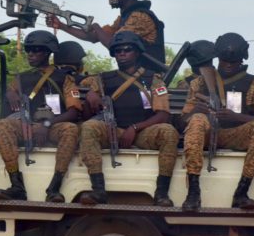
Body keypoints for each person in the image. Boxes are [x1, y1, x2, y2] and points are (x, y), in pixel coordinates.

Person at [77, 31, 179, 205]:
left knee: (169, 132)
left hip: (143, 131)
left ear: (137, 52)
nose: (122, 53)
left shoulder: (153, 79)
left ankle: (161, 193)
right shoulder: (102, 79)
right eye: (117, 51)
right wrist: (90, 95)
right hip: (112, 129)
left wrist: (134, 128)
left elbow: (163, 114)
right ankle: (98, 189)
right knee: (88, 127)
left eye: (127, 49)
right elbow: (75, 83)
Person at [181, 33, 254, 211]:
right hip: (206, 135)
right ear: (217, 58)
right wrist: (195, 111)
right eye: (224, 61)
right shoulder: (199, 83)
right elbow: (182, 121)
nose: (228, 65)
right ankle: (193, 192)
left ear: (242, 60)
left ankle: (241, 192)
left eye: (234, 62)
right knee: (196, 120)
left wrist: (236, 117)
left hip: (236, 134)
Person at [0, 30, 82, 203]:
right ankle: (16, 185)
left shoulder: (64, 78)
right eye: (29, 50)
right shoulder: (21, 78)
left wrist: (47, 125)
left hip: (53, 126)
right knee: (2, 125)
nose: (31, 54)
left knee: (71, 129)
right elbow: (10, 98)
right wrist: (9, 93)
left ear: (48, 52)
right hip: (27, 125)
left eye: (36, 50)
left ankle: (54, 188)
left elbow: (74, 111)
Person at [46, 0, 166, 65]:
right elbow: (93, 37)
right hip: (135, 72)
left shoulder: (140, 17)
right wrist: (61, 25)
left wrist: (96, 26)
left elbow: (113, 44)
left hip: (148, 75)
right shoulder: (125, 18)